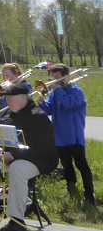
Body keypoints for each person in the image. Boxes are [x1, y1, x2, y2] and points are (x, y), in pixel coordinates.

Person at [0, 82, 58, 231]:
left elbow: (41, 148)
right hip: (11, 157)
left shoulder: (38, 116)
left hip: (40, 159)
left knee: (17, 168)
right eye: (7, 99)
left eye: (11, 98)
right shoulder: (7, 115)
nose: (8, 102)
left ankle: (16, 219)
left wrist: (12, 156)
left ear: (24, 98)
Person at [39, 65, 95, 206]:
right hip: (60, 136)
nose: (54, 80)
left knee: (82, 165)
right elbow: (50, 110)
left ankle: (89, 195)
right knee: (66, 165)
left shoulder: (76, 91)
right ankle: (72, 191)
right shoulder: (54, 93)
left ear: (66, 76)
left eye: (57, 77)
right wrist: (41, 103)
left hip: (74, 134)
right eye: (53, 77)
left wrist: (58, 90)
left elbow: (68, 104)